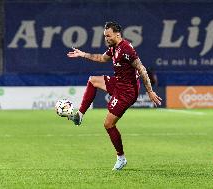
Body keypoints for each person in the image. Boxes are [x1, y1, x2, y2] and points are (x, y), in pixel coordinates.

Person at [66, 21, 162, 170]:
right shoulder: (113, 47)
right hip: (118, 83)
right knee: (92, 80)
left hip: (127, 92)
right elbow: (102, 59)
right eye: (105, 36)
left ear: (117, 34)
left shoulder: (126, 49)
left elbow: (142, 69)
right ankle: (80, 115)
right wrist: (82, 54)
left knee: (108, 124)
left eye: (108, 36)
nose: (106, 39)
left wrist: (149, 91)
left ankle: (121, 158)